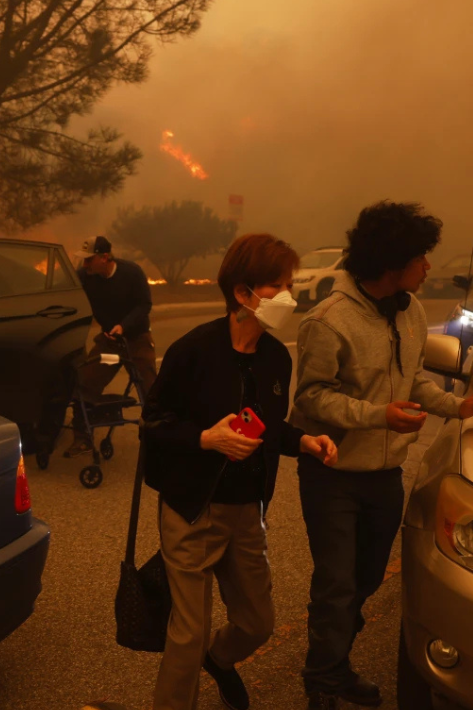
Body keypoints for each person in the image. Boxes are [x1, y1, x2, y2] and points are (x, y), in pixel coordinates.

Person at [291, 202, 473, 710]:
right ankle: (322, 681)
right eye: (421, 258)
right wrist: (377, 416)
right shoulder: (328, 320)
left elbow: (412, 381)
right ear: (393, 265)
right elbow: (310, 398)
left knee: (365, 580)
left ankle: (334, 665)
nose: (428, 267)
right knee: (336, 586)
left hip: (384, 474)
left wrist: (460, 406)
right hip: (333, 473)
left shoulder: (408, 311)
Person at [141, 234, 339, 710]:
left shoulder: (275, 356)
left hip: (247, 511)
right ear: (242, 294)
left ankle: (221, 658)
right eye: (277, 285)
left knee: (257, 624)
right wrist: (205, 438)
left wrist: (303, 442)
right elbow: (153, 422)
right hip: (192, 509)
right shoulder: (194, 350)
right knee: (188, 634)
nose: (287, 296)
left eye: (289, 284)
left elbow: (268, 428)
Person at [65, 235, 159, 458]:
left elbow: (144, 304)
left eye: (89, 260)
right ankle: (82, 438)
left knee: (150, 388)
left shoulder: (132, 273)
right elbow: (66, 290)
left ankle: (157, 439)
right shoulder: (86, 277)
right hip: (109, 342)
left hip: (136, 338)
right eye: (83, 260)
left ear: (104, 257)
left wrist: (123, 326)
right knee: (86, 381)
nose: (85, 264)